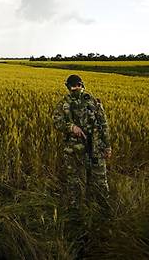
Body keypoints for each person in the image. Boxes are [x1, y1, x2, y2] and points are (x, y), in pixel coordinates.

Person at [53, 74, 112, 210]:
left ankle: (103, 209)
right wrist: (71, 127)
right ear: (68, 87)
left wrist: (107, 146)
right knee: (74, 181)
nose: (76, 89)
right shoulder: (64, 103)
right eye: (72, 87)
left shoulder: (93, 101)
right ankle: (76, 211)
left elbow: (104, 125)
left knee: (100, 180)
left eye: (78, 86)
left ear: (82, 85)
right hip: (74, 150)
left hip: (96, 148)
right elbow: (56, 122)